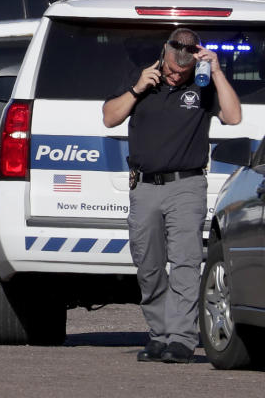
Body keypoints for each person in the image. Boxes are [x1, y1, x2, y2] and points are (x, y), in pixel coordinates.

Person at [102, 28, 241, 364]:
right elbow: (109, 117)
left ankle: (180, 339)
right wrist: (137, 88)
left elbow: (234, 117)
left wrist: (217, 71)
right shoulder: (143, 79)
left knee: (185, 264)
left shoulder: (203, 84)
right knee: (148, 265)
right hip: (145, 186)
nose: (176, 75)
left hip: (187, 186)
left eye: (183, 70)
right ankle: (159, 334)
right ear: (163, 54)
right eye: (171, 68)